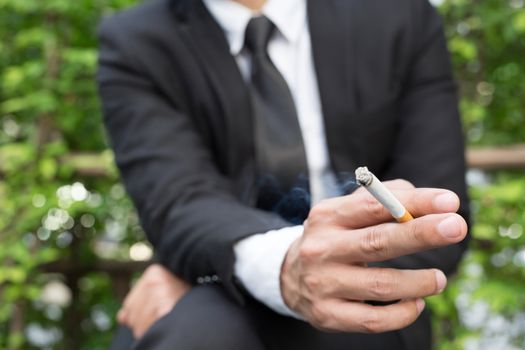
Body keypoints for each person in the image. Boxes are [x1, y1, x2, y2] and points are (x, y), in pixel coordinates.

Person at [97, 0, 470, 349]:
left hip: (371, 296)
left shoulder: (397, 14)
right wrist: (278, 269)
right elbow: (179, 200)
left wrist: (332, 271)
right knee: (194, 332)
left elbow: (438, 208)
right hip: (222, 280)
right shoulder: (138, 40)